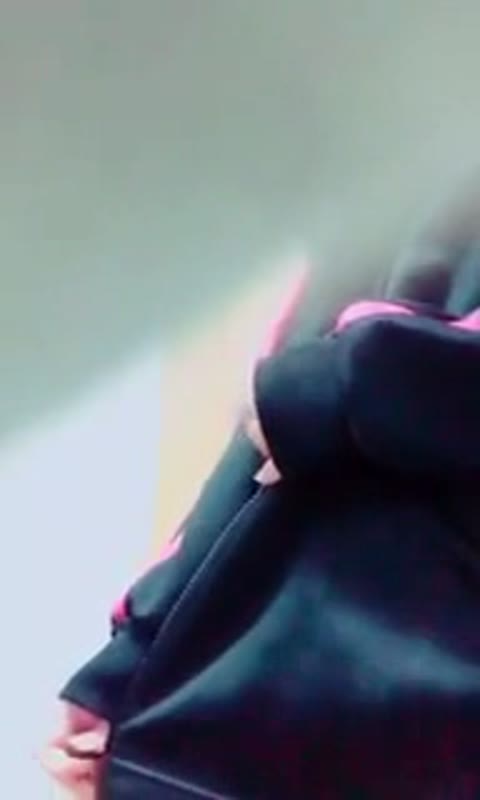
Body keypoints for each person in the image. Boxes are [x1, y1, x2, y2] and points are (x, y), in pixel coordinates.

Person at [42, 174, 480, 798]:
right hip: (220, 731)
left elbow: (312, 388)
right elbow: (268, 422)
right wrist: (131, 654)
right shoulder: (392, 174)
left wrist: (351, 379)